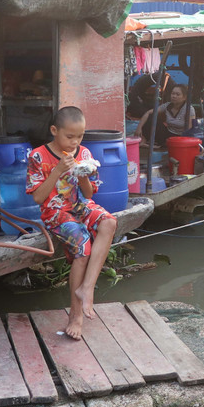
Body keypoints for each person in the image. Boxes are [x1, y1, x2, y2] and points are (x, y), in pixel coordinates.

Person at [26, 106, 117, 339]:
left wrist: (84, 175)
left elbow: (88, 196)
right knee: (83, 246)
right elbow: (38, 197)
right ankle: (75, 315)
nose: (75, 142)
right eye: (70, 136)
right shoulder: (38, 156)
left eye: (80, 136)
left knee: (109, 222)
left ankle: (87, 287)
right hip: (56, 211)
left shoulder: (84, 154)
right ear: (54, 131)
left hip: (79, 205)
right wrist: (57, 171)